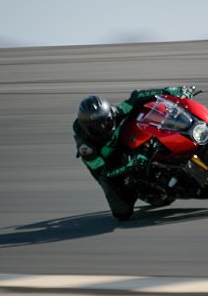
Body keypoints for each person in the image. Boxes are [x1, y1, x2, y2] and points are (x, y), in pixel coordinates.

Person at [73, 86, 197, 220]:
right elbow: (105, 172)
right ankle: (137, 188)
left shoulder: (116, 112)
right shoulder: (86, 147)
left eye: (106, 122)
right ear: (87, 128)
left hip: (124, 143)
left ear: (110, 114)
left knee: (146, 115)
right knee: (122, 213)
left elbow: (137, 96)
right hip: (109, 164)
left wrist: (172, 91)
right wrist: (130, 165)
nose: (103, 128)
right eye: (96, 127)